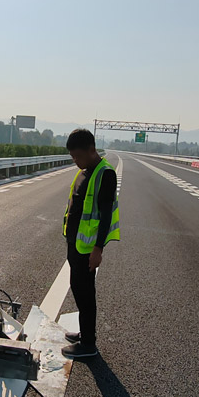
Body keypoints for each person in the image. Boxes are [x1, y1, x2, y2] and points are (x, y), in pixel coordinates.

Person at [61, 128, 120, 359]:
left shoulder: (105, 174)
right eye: (73, 157)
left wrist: (98, 249)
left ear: (91, 149)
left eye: (78, 156)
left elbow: (105, 215)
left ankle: (88, 343)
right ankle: (84, 333)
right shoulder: (84, 171)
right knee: (78, 288)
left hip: (87, 248)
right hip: (76, 243)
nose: (76, 161)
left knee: (85, 293)